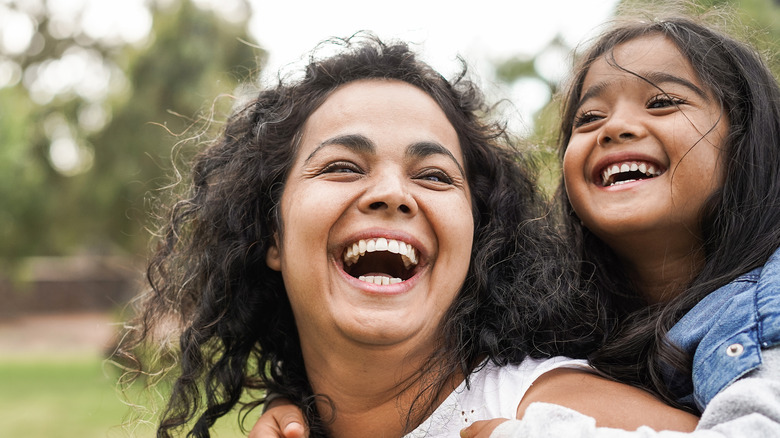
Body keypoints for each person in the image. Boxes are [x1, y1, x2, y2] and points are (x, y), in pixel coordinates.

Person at [116, 34, 697, 438]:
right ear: (272, 234)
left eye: (434, 175)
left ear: (478, 238)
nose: (393, 193)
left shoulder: (546, 410)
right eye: (343, 166)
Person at [461, 13, 780, 438]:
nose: (614, 128)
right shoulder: (574, 335)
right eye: (589, 117)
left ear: (745, 137)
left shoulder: (767, 299)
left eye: (663, 102)